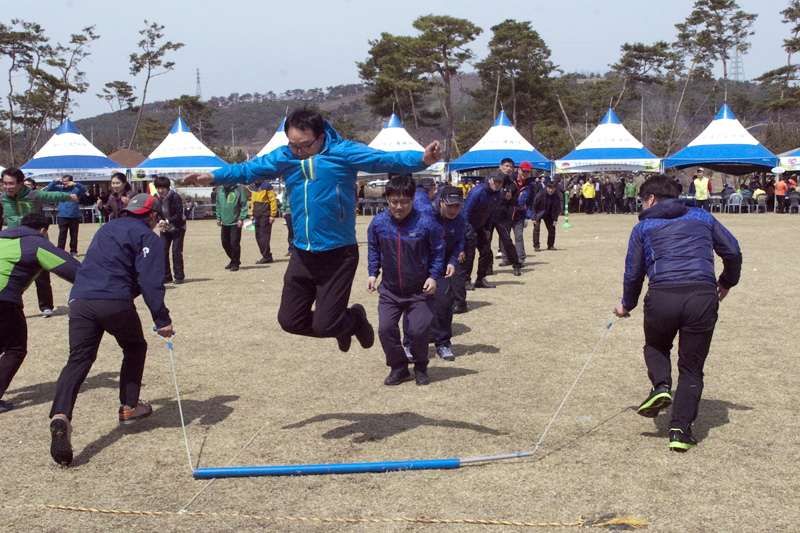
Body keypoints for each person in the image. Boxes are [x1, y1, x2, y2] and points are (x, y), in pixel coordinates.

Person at [183, 107, 442, 352]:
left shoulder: (343, 152)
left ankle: (353, 319)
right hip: (303, 252)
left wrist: (422, 159)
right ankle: (345, 323)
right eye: (293, 145)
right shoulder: (285, 157)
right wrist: (214, 177)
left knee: (325, 324)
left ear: (320, 137)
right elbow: (248, 169)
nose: (298, 151)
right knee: (289, 321)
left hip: (338, 254)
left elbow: (384, 159)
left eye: (304, 145)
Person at [612, 175, 741, 453]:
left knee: (656, 346)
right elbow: (732, 251)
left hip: (663, 296)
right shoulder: (702, 217)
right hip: (702, 296)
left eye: (642, 200)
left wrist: (627, 305)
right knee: (692, 368)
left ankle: (661, 385)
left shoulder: (644, 226)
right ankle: (680, 431)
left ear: (652, 199)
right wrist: (726, 281)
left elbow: (634, 272)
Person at [48, 194, 174, 466]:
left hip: (80, 300)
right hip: (114, 300)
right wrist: (162, 319)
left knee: (78, 359)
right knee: (134, 346)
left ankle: (61, 415)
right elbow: (151, 281)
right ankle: (129, 406)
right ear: (151, 216)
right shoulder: (147, 237)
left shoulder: (106, 227)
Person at [367, 175, 444, 386]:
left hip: (419, 291)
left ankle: (420, 366)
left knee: (419, 330)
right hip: (390, 291)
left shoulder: (426, 222)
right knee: (385, 328)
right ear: (387, 200)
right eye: (394, 202)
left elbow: (438, 251)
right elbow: (373, 248)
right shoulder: (379, 223)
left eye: (404, 202)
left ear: (413, 199)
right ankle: (399, 367)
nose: (398, 206)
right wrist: (373, 272)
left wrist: (433, 276)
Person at [0, 213, 81, 414]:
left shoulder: (3, 237)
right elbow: (73, 270)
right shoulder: (37, 243)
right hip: (4, 297)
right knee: (15, 349)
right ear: (43, 230)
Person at [460, 171, 505, 290]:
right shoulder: (477, 191)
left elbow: (491, 212)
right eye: (495, 181)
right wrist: (466, 229)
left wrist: (488, 228)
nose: (497, 184)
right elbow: (466, 211)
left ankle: (480, 279)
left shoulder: (498, 194)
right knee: (470, 253)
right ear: (489, 179)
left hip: (481, 227)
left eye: (500, 182)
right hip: (468, 225)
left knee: (486, 252)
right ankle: (465, 280)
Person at [154, 176, 186, 284]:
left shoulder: (175, 197)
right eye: (158, 188)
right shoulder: (155, 198)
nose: (160, 190)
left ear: (167, 187)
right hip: (165, 228)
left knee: (176, 251)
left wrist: (167, 221)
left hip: (178, 228)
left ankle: (179, 276)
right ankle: (166, 276)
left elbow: (178, 214)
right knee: (162, 250)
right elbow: (156, 212)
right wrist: (160, 221)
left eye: (162, 188)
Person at [492, 159, 522, 275]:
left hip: (502, 218)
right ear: (500, 166)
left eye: (511, 167)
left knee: (507, 241)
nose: (508, 168)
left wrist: (510, 199)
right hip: (488, 216)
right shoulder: (491, 179)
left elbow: (515, 203)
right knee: (485, 243)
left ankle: (516, 265)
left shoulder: (512, 185)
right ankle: (487, 268)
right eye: (506, 166)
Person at [45, 175, 87, 256]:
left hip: (74, 215)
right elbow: (49, 189)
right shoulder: (60, 189)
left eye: (66, 181)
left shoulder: (76, 189)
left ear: (71, 181)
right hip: (62, 215)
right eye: (63, 181)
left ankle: (73, 251)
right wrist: (55, 181)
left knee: (74, 235)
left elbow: (84, 189)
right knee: (62, 235)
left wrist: (75, 184)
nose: (64, 183)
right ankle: (60, 250)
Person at [215, 182, 248, 271]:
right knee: (225, 243)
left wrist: (241, 218)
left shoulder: (238, 189)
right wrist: (218, 217)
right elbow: (218, 204)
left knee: (234, 244)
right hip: (225, 222)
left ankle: (235, 263)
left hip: (235, 222)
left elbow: (244, 205)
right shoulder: (219, 190)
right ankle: (234, 259)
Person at [249, 180, 279, 264]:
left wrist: (272, 215)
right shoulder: (254, 187)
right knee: (258, 236)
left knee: (264, 237)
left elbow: (273, 200)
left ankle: (267, 256)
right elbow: (253, 202)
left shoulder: (267, 186)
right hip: (256, 216)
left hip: (265, 215)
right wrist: (251, 213)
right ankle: (266, 255)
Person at [532, 181, 561, 252]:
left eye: (552, 188)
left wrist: (555, 219)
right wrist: (533, 217)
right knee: (536, 229)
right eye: (549, 188)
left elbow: (557, 209)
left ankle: (550, 245)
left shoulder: (556, 196)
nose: (551, 190)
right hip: (539, 213)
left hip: (549, 214)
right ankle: (536, 246)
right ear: (547, 188)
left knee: (552, 229)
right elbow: (534, 206)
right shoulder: (540, 194)